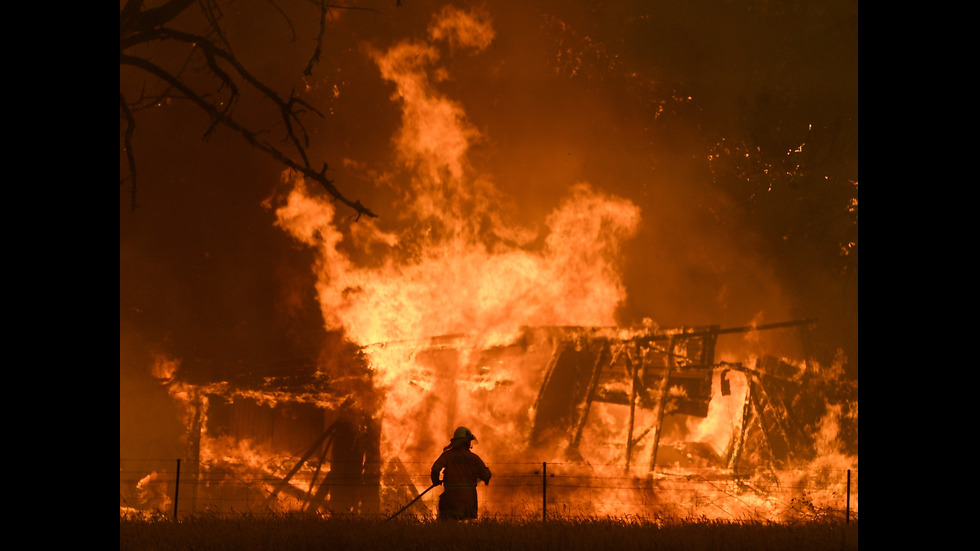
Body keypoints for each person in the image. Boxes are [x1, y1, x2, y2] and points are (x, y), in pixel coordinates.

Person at [430, 426, 492, 520]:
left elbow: (435, 469)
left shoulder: (447, 455)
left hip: (451, 501)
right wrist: (485, 474)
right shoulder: (474, 458)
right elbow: (486, 475)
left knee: (448, 529)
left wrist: (436, 481)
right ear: (466, 442)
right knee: (464, 532)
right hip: (468, 502)